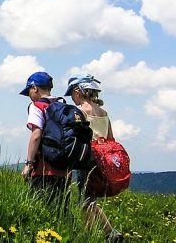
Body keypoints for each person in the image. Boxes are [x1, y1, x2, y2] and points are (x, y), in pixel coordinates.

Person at [65, 74, 124, 243]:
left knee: (84, 201)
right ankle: (111, 234)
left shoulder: (81, 112)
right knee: (90, 199)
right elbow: (111, 138)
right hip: (103, 159)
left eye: (72, 94)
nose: (72, 98)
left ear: (78, 91)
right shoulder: (103, 112)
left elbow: (79, 136)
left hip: (87, 158)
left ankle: (89, 235)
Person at [19, 71, 71, 208]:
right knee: (61, 210)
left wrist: (29, 164)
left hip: (43, 167)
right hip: (63, 168)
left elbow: (36, 135)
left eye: (29, 91)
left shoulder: (37, 106)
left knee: (39, 208)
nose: (29, 96)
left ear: (35, 88)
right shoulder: (63, 106)